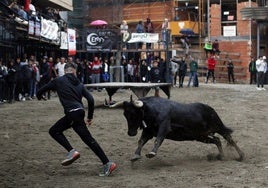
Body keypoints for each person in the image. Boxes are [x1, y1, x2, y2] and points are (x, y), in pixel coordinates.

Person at [36, 63, 117, 176]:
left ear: (65, 71)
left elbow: (41, 90)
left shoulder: (58, 80)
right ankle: (108, 163)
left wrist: (39, 96)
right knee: (89, 140)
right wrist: (89, 117)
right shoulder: (79, 83)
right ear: (74, 71)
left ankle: (72, 151)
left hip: (71, 113)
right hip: (80, 112)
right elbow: (91, 99)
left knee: (54, 131)